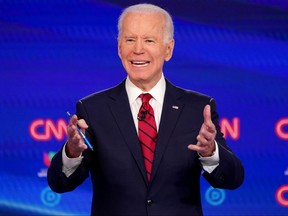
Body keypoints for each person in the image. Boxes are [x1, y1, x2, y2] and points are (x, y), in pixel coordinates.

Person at [47, 3, 244, 216]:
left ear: (168, 49)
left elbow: (233, 179)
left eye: (149, 40)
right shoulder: (93, 109)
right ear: (119, 47)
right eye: (130, 39)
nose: (138, 49)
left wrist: (210, 152)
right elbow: (60, 183)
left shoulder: (197, 109)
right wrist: (72, 152)